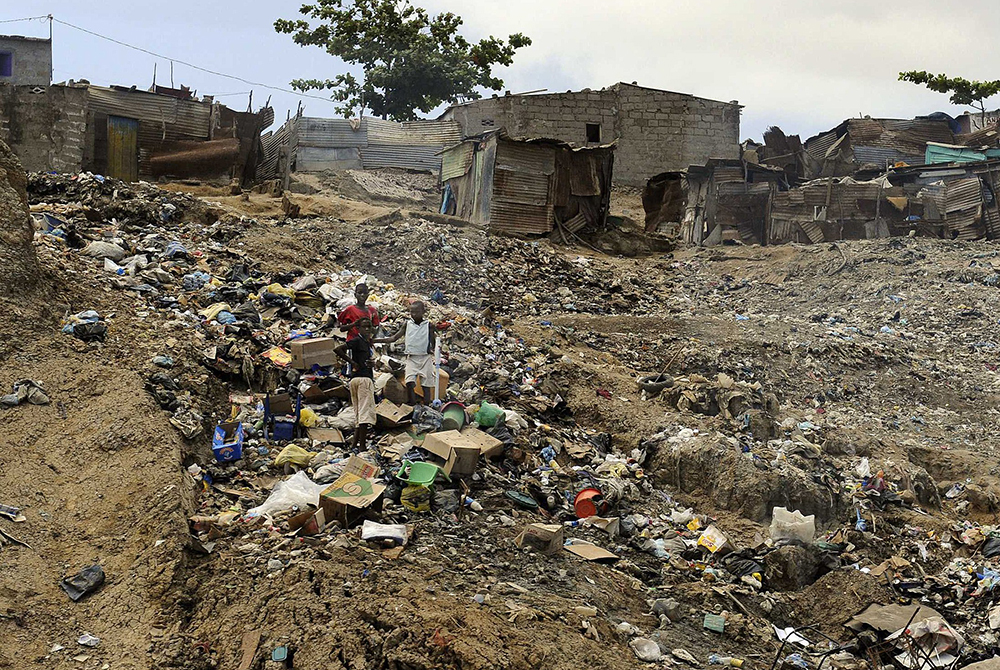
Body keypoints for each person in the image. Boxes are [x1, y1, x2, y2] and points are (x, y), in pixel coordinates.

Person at [376, 300, 437, 406]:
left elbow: (433, 341)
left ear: (423, 312)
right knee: (409, 382)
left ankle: (426, 405)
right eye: (412, 312)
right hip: (411, 357)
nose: (414, 315)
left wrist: (433, 350)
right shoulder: (407, 324)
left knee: (426, 385)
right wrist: (376, 340)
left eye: (417, 312)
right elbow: (394, 338)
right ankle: (412, 405)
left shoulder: (428, 325)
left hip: (425, 358)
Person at [334, 320, 376, 451]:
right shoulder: (358, 340)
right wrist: (353, 363)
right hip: (363, 380)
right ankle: (362, 446)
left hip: (356, 380)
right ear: (358, 328)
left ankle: (354, 445)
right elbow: (338, 349)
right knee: (364, 415)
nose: (368, 329)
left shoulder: (365, 343)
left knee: (359, 415)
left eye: (369, 327)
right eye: (364, 327)